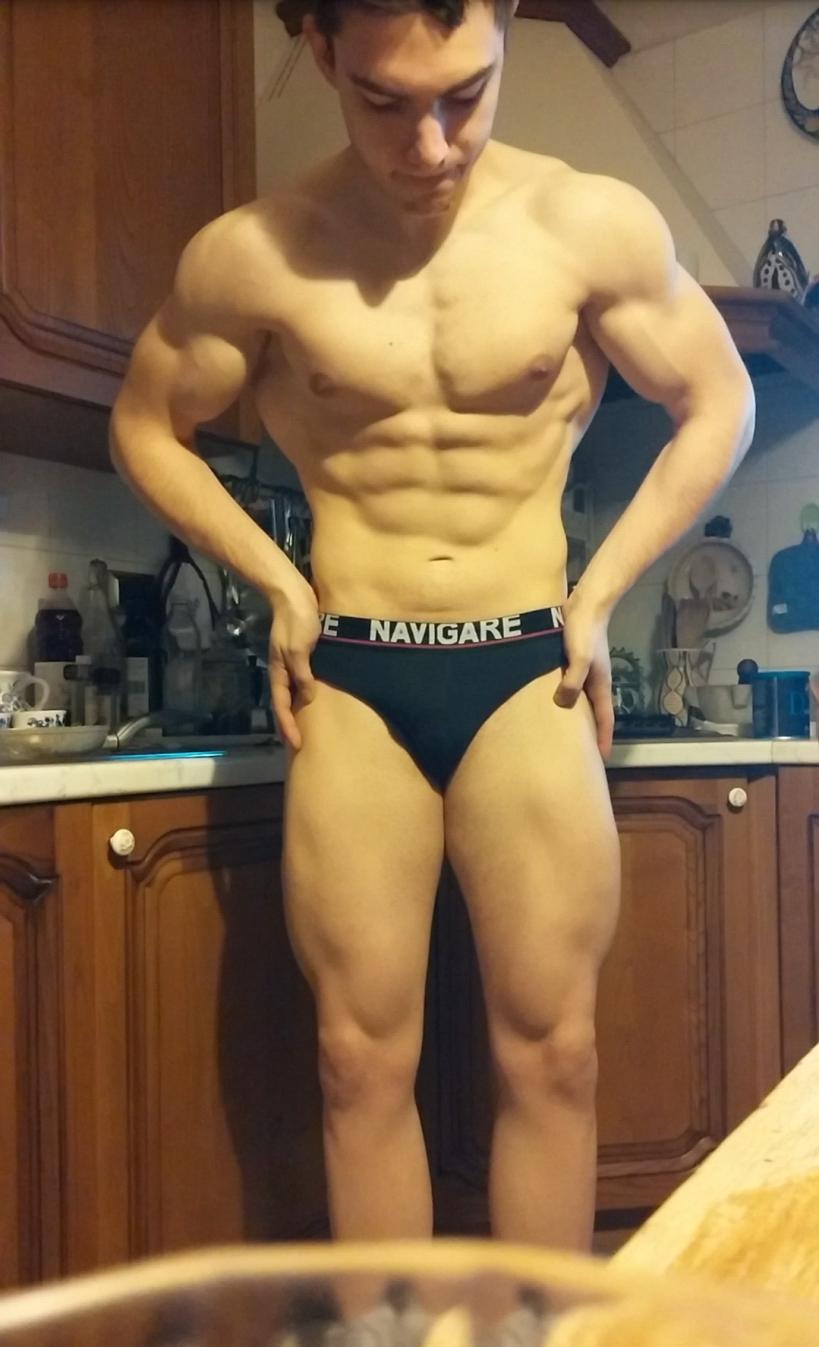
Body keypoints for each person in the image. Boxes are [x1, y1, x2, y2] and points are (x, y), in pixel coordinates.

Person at [110, 0, 755, 1257]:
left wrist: (603, 591)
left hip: (527, 668)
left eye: (466, 94)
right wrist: (276, 583)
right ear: (320, 53)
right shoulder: (256, 255)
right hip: (355, 673)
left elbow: (718, 399)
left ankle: (541, 1340)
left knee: (555, 1053)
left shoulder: (589, 225)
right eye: (385, 101)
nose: (431, 144)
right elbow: (144, 424)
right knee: (356, 1062)